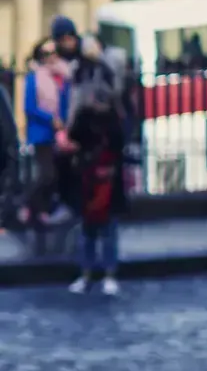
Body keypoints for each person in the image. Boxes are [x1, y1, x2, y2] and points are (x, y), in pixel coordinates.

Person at [61, 75, 128, 296]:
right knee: (88, 231)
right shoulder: (83, 118)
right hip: (87, 179)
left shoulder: (114, 121)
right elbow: (73, 139)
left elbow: (120, 147)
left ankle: (108, 274)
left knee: (108, 231)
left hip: (109, 180)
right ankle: (87, 273)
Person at [21, 27, 74, 230]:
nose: (51, 57)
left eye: (53, 53)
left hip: (61, 131)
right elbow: (30, 106)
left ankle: (41, 211)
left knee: (58, 173)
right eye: (46, 54)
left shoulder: (64, 74)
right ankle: (27, 205)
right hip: (41, 131)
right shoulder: (34, 77)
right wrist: (51, 119)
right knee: (46, 174)